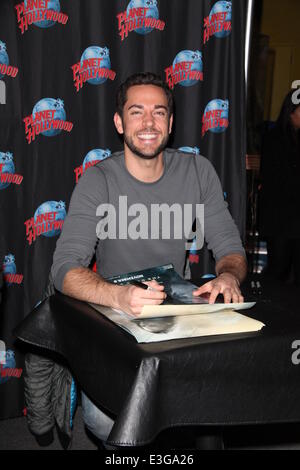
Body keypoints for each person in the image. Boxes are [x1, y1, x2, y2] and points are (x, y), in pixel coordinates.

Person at [50, 72, 247, 446]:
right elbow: (64, 268)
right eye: (136, 112)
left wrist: (228, 276)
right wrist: (118, 297)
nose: (148, 122)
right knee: (106, 423)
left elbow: (230, 248)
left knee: (208, 417)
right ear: (119, 122)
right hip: (114, 318)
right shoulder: (98, 179)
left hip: (178, 317)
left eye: (159, 112)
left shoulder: (197, 170)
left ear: (170, 124)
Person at [259, 91, 300, 285]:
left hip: (291, 218)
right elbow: (274, 181)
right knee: (279, 269)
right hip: (280, 220)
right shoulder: (274, 138)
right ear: (291, 112)